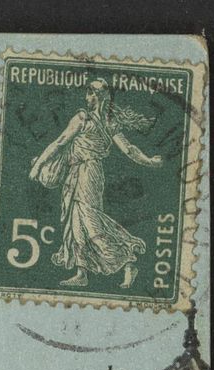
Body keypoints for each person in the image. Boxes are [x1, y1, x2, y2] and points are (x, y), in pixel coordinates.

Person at [28, 78, 162, 290]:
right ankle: (82, 272)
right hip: (76, 172)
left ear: (99, 96)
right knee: (76, 223)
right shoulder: (100, 121)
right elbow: (129, 150)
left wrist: (38, 166)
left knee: (90, 221)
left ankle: (128, 262)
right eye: (88, 93)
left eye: (91, 93)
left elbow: (62, 141)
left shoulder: (94, 120)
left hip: (89, 173)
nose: (87, 97)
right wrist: (150, 161)